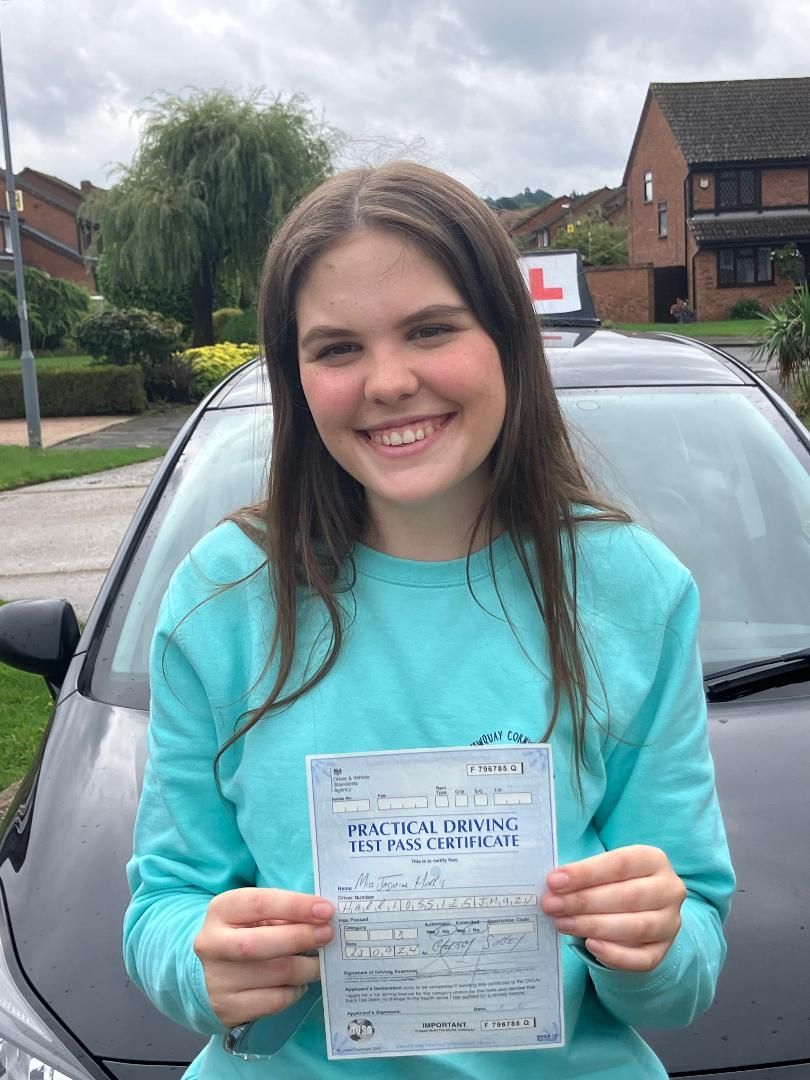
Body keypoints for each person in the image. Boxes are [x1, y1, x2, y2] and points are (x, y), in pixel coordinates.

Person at [124, 161, 735, 1079]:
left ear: (507, 339)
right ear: (297, 377)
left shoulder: (635, 589)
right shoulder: (222, 594)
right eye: (337, 348)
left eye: (431, 329)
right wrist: (202, 964)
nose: (388, 381)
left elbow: (689, 962)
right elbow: (163, 906)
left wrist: (652, 944)